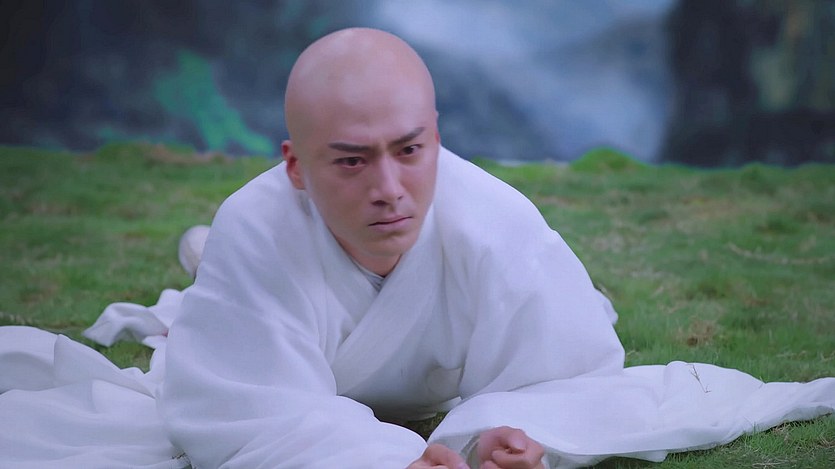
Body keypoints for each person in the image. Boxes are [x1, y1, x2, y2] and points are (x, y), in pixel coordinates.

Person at [0, 27, 833, 469]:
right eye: (350, 161)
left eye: (410, 150)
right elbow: (238, 411)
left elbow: (570, 375)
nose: (390, 188)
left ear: (437, 134)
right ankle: (209, 275)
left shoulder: (494, 221)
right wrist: (391, 458)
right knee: (221, 286)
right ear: (295, 166)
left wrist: (507, 434)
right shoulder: (257, 226)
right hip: (254, 278)